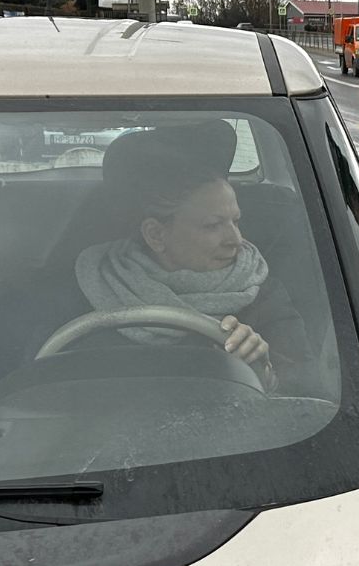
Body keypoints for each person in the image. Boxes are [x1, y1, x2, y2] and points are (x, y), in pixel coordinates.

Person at [66, 122, 314, 392]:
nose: (236, 240)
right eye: (212, 225)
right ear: (156, 235)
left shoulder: (263, 294)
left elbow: (305, 394)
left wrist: (263, 370)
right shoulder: (86, 289)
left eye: (235, 221)